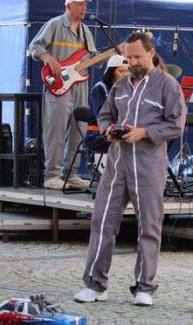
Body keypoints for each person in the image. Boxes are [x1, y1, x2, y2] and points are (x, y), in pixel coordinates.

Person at [74, 32, 186, 306]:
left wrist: (145, 132)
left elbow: (176, 124)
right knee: (102, 220)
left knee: (149, 225)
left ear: (151, 53)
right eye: (128, 57)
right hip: (117, 163)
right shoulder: (121, 85)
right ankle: (95, 284)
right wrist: (108, 129)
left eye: (137, 57)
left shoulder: (168, 85)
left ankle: (145, 287)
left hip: (149, 164)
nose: (132, 62)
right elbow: (104, 114)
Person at [28, 0, 96, 190]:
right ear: (68, 6)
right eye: (80, 4)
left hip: (80, 85)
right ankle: (51, 175)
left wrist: (111, 56)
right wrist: (49, 59)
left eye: (85, 5)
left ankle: (70, 174)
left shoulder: (86, 30)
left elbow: (92, 56)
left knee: (79, 128)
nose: (84, 8)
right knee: (56, 130)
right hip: (59, 84)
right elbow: (35, 46)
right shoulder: (55, 24)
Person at [85, 54, 130, 153]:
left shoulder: (126, 90)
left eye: (127, 71)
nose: (125, 74)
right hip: (97, 136)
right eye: (121, 71)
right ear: (111, 72)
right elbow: (103, 117)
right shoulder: (100, 88)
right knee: (129, 143)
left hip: (118, 132)